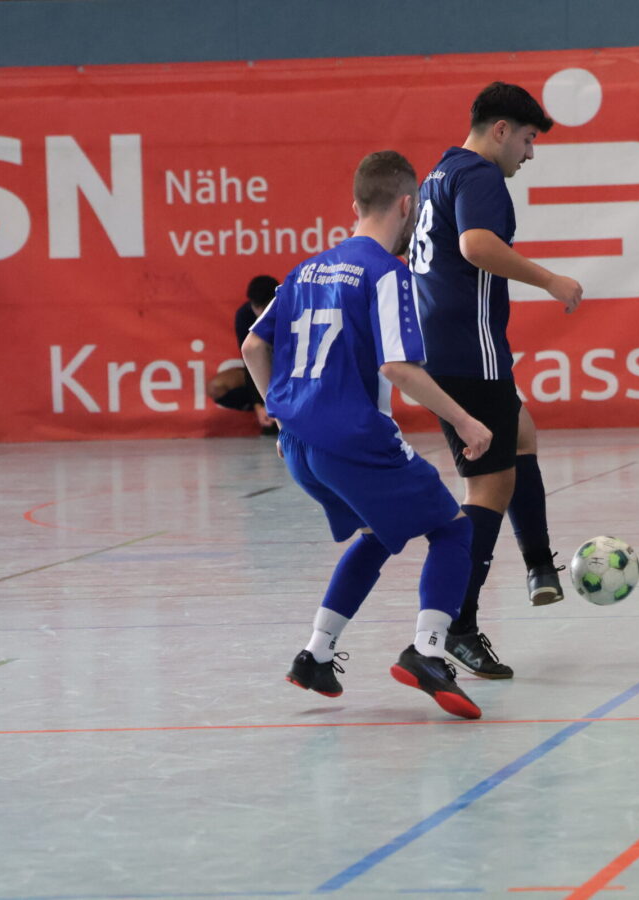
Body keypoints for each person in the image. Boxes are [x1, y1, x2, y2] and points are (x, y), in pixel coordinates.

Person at [241, 150, 493, 720]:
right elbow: (398, 368)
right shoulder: (386, 272)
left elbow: (254, 345)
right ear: (408, 206)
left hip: (301, 448)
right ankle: (428, 651)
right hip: (354, 439)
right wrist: (464, 420)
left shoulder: (305, 270)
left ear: (355, 206)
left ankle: (316, 654)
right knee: (454, 530)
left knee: (379, 534)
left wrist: (281, 415)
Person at [410, 81, 584, 679]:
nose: (529, 154)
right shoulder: (480, 174)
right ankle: (455, 625)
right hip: (469, 351)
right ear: (501, 130)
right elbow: (476, 245)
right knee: (488, 488)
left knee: (522, 434)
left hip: (445, 348)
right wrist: (550, 280)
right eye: (528, 140)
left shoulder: (439, 174)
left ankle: (538, 565)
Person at [208, 274, 280, 434]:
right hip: (261, 372)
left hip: (287, 375)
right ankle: (267, 411)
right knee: (216, 387)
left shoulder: (291, 313)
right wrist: (258, 404)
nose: (261, 313)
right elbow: (251, 362)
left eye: (265, 307)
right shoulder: (245, 315)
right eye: (257, 307)